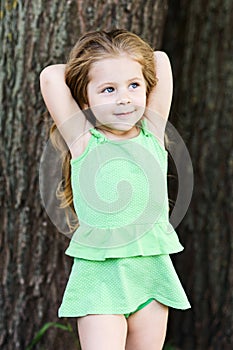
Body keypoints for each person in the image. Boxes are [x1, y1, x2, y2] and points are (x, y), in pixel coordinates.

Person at [40, 29, 191, 350]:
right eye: (108, 89)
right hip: (100, 279)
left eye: (134, 86)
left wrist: (115, 71)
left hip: (150, 273)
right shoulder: (83, 139)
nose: (124, 98)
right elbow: (51, 77)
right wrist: (91, 67)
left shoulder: (152, 132)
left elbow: (160, 61)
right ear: (84, 99)